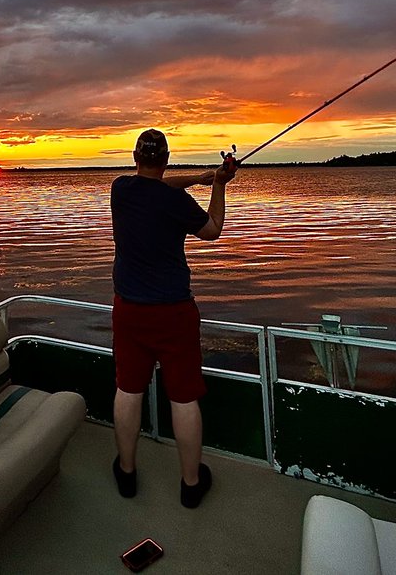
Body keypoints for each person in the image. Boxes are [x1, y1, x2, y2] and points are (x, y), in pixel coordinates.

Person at [109, 128, 237, 509]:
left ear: (135, 158)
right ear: (165, 159)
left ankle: (127, 473)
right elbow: (212, 230)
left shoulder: (120, 189)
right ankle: (191, 484)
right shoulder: (175, 203)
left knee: (128, 390)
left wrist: (200, 177)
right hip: (174, 314)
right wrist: (219, 185)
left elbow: (155, 185)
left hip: (129, 310)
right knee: (183, 398)